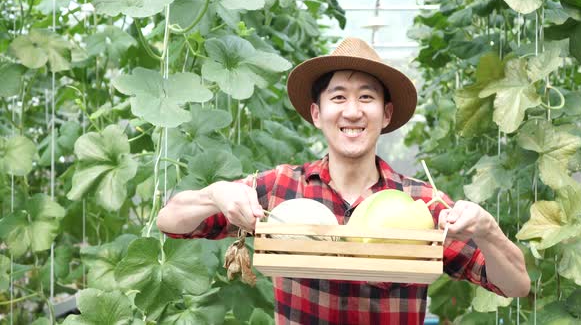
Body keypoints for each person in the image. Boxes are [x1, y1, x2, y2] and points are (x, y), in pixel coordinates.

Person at [157, 37, 530, 324]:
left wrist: (487, 230)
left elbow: (514, 285)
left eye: (366, 98)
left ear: (385, 115)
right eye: (339, 97)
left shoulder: (424, 202)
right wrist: (216, 193)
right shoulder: (281, 188)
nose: (352, 111)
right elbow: (170, 222)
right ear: (317, 113)